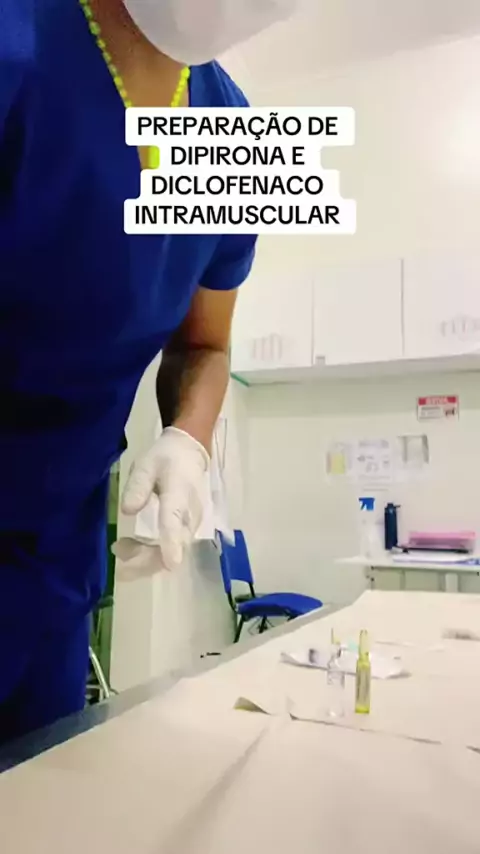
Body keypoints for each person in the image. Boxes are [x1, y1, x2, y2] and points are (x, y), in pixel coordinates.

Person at [0, 0, 298, 745]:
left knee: (43, 780)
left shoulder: (228, 137)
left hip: (54, 548)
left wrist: (187, 441)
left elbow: (205, 345)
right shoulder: (17, 45)